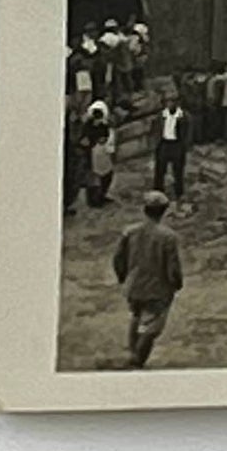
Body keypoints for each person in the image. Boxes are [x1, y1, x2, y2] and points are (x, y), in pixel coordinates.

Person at [111, 191, 184, 368]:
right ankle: (137, 361)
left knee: (136, 317)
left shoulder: (130, 232)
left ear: (144, 209)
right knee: (151, 329)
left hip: (134, 285)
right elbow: (172, 267)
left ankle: (132, 353)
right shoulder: (168, 237)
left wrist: (123, 277)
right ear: (164, 211)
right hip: (157, 289)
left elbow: (118, 259)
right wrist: (176, 283)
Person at [150, 95, 191, 200]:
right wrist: (156, 143)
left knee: (178, 170)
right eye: (168, 102)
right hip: (164, 144)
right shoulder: (161, 116)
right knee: (160, 170)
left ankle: (179, 193)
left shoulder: (184, 116)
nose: (169, 104)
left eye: (172, 102)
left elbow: (188, 132)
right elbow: (155, 130)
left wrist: (185, 145)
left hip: (177, 144)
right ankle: (158, 192)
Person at [83, 100, 117, 207]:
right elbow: (85, 139)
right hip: (93, 153)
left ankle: (102, 195)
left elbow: (108, 135)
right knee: (93, 179)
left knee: (107, 176)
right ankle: (93, 200)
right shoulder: (88, 126)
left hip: (103, 153)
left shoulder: (105, 124)